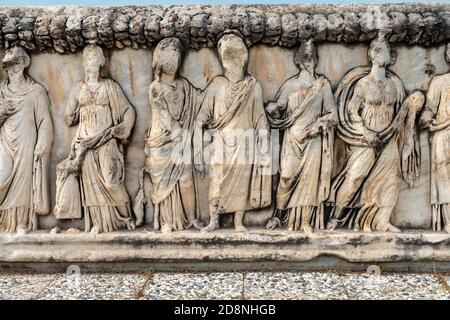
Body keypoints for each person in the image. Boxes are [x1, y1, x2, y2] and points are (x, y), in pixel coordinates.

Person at [326, 33, 424, 232]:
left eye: (385, 50)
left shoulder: (394, 84)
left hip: (388, 136)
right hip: (365, 138)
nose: (381, 54)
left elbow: (402, 113)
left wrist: (415, 102)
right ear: (370, 55)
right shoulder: (363, 84)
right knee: (355, 177)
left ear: (390, 56)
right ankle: (336, 217)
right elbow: (352, 109)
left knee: (392, 178)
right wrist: (363, 131)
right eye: (377, 50)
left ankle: (382, 219)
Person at [56, 44, 136, 234]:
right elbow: (68, 118)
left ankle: (126, 216)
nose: (91, 62)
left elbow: (128, 110)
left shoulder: (110, 86)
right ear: (84, 63)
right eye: (88, 58)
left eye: (95, 58)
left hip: (107, 141)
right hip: (84, 142)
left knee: (111, 182)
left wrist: (120, 129)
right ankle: (98, 223)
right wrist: (75, 113)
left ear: (101, 62)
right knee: (91, 185)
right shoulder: (78, 88)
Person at [197, 33, 272, 232]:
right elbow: (202, 117)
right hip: (222, 141)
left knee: (242, 183)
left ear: (244, 58)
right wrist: (198, 145)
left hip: (245, 143)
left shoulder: (252, 86)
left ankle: (239, 221)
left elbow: (259, 116)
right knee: (217, 180)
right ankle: (214, 220)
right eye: (229, 56)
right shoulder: (216, 85)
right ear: (223, 59)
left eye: (238, 55)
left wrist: (264, 140)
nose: (234, 60)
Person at [265, 39, 337, 233]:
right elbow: (278, 107)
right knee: (287, 176)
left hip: (313, 139)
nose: (309, 62)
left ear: (315, 61)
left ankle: (304, 220)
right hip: (293, 138)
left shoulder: (322, 85)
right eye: (305, 59)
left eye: (312, 58)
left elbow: (333, 114)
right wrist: (271, 109)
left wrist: (319, 124)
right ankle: (279, 214)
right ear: (299, 62)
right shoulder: (290, 85)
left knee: (309, 180)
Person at [136, 37, 203, 233]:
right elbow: (162, 113)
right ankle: (167, 221)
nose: (173, 61)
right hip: (162, 141)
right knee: (163, 183)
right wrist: (178, 133)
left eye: (176, 55)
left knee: (186, 180)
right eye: (169, 57)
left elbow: (199, 99)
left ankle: (191, 219)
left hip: (181, 139)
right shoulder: (155, 88)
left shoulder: (184, 85)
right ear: (159, 60)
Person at [0, 46, 53, 233]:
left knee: (23, 183)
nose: (12, 70)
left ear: (24, 64)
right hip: (5, 140)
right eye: (8, 66)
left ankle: (21, 223)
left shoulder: (36, 92)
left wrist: (42, 143)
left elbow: (45, 120)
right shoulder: (1, 91)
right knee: (2, 178)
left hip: (26, 141)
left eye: (16, 65)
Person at [419, 43, 450, 233]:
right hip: (443, 133)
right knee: (444, 175)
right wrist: (425, 120)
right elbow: (429, 109)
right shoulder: (439, 82)